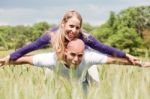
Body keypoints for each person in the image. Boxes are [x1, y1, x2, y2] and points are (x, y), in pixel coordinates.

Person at [0, 10, 139, 66]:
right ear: (63, 23)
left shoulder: (85, 37)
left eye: (77, 27)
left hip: (82, 61)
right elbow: (31, 47)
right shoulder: (52, 35)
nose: (74, 31)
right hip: (61, 62)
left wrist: (126, 55)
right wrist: (10, 57)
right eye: (71, 26)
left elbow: (103, 48)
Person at [2, 39, 150, 83]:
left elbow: (115, 60)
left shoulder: (89, 56)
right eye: (73, 54)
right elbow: (26, 59)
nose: (76, 59)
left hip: (84, 77)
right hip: (59, 76)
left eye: (80, 55)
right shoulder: (50, 59)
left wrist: (142, 64)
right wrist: (5, 61)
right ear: (65, 51)